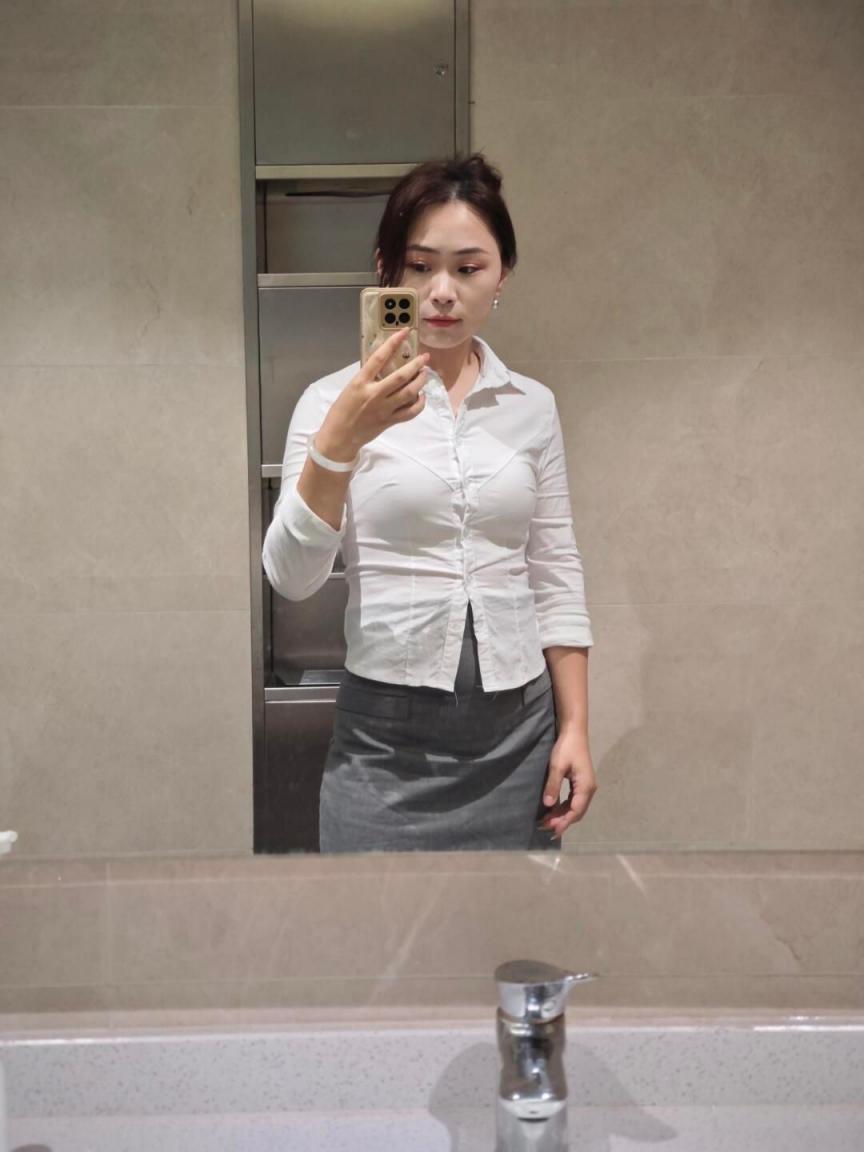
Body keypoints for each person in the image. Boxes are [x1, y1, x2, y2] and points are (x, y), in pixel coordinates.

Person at [262, 152, 596, 853]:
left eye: (469, 268)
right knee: (375, 922)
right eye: (420, 266)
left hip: (520, 737)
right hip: (384, 744)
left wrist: (575, 728)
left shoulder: (532, 405)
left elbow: (554, 571)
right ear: (387, 270)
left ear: (502, 276)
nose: (442, 292)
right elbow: (292, 578)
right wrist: (339, 443)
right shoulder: (329, 403)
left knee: (511, 921)